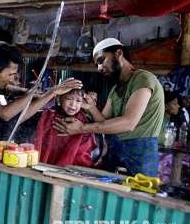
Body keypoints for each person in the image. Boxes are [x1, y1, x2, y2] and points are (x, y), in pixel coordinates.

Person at [54, 38, 164, 176]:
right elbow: (103, 121)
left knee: (138, 194)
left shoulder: (142, 79)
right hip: (115, 153)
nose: (99, 68)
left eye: (101, 60)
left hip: (140, 155)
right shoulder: (116, 89)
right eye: (97, 65)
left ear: (118, 53)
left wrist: (81, 128)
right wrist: (91, 108)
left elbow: (128, 123)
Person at [35, 89, 98, 167]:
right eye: (69, 99)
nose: (73, 104)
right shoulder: (49, 115)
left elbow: (85, 147)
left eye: (78, 101)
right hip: (49, 158)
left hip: (73, 163)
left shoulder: (83, 120)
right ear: (59, 98)